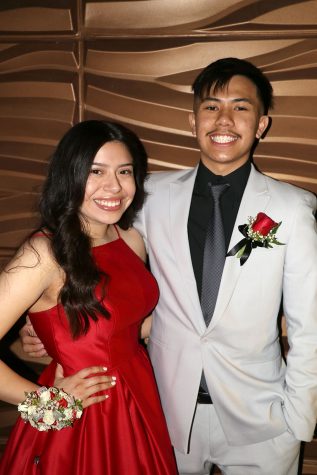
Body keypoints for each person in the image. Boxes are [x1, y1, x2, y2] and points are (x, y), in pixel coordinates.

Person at [20, 58, 317, 475]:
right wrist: (45, 325)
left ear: (262, 123)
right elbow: (88, 253)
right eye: (211, 107)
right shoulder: (145, 197)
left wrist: (298, 422)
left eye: (241, 107)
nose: (224, 119)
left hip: (264, 420)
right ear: (192, 120)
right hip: (163, 411)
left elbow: (310, 326)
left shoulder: (293, 208)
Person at [0, 120, 177, 474]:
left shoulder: (129, 240)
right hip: (83, 413)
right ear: (70, 177)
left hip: (139, 399)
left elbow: (127, 325)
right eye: (96, 171)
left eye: (124, 171)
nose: (114, 186)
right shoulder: (43, 254)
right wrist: (47, 404)